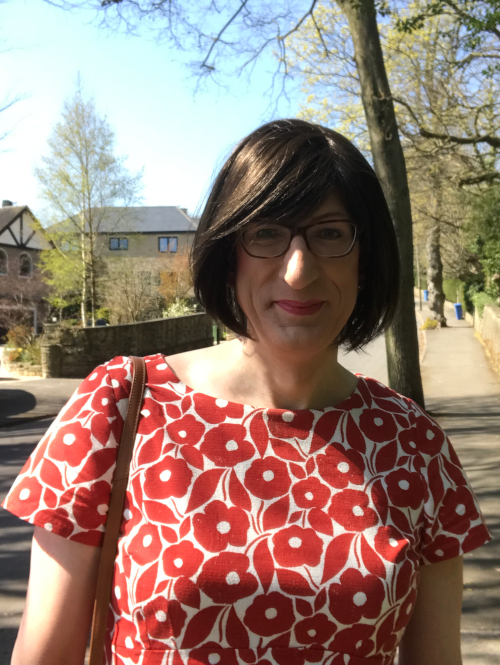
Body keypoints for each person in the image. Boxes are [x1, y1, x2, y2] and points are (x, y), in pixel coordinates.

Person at [3, 119, 491, 665]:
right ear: (228, 254)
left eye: (331, 233)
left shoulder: (413, 443)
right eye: (266, 233)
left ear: (366, 257)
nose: (299, 270)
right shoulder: (121, 406)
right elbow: (44, 654)